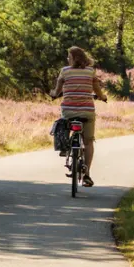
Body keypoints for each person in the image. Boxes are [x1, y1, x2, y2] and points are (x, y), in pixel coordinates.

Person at [49, 46, 107, 187]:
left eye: (69, 57)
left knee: (63, 123)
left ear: (74, 58)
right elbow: (97, 90)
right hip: (87, 112)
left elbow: (57, 91)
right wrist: (103, 97)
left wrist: (54, 94)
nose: (67, 59)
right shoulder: (90, 71)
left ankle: (64, 147)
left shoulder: (64, 71)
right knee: (88, 142)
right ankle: (86, 175)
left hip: (68, 111)